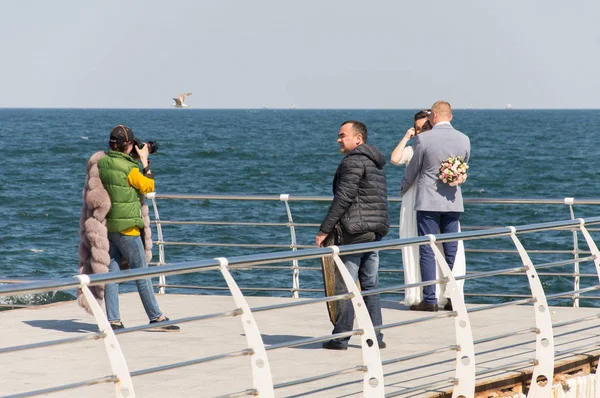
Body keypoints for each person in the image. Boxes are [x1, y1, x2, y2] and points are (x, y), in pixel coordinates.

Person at [316, 120, 389, 350]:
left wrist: (325, 229)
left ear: (358, 138)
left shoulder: (353, 162)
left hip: (355, 232)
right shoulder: (375, 161)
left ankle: (341, 337)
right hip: (374, 231)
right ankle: (375, 337)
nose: (339, 139)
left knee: (345, 284)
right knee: (370, 284)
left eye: (342, 135)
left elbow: (344, 198)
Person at [98, 125, 179, 331]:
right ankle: (156, 317)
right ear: (128, 146)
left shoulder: (104, 163)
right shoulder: (130, 168)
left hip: (110, 226)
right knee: (142, 274)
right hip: (128, 229)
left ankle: (113, 321)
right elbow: (148, 186)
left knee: (112, 276)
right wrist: (144, 162)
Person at [400, 101, 470, 312]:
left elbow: (413, 170)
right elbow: (464, 165)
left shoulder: (424, 138)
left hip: (428, 202)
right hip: (452, 201)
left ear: (434, 117)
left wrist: (403, 187)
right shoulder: (464, 139)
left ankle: (430, 299)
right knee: (451, 250)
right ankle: (452, 297)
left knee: (427, 249)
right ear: (451, 116)